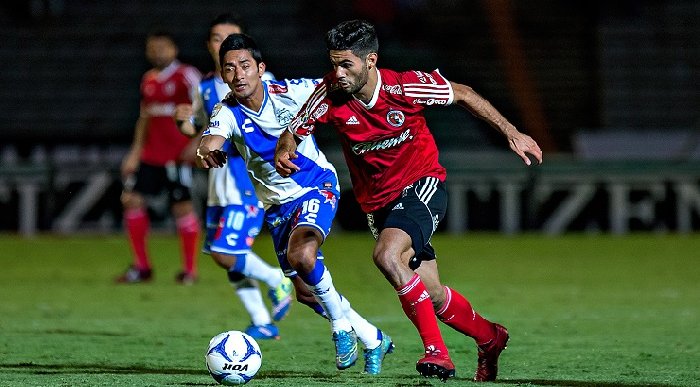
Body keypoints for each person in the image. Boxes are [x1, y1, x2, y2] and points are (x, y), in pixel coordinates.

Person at [275, 19, 543, 382]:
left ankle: (438, 354)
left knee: (386, 256)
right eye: (333, 63)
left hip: (422, 185)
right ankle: (490, 337)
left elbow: (462, 92)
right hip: (380, 205)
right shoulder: (329, 93)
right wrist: (285, 149)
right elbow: (295, 127)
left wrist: (512, 133)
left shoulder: (405, 87)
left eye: (345, 64)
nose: (337, 72)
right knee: (430, 295)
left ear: (370, 60)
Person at [195, 33, 394, 374]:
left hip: (315, 187)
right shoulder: (225, 111)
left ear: (260, 68)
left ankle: (341, 329)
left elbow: (336, 83)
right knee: (304, 292)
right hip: (276, 207)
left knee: (302, 255)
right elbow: (210, 139)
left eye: (245, 66)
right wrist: (207, 150)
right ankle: (373, 337)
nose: (238, 75)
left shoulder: (292, 92)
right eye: (229, 69)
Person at [174, 13, 293, 340]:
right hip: (218, 185)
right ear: (210, 46)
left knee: (228, 252)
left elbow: (281, 127)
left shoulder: (264, 83)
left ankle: (276, 279)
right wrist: (181, 121)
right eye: (217, 38)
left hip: (247, 183)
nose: (224, 44)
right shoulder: (204, 87)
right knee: (221, 255)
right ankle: (262, 321)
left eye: (231, 38)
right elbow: (198, 128)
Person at [117, 30, 202, 285]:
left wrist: (197, 142)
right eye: (152, 48)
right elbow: (144, 119)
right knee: (131, 199)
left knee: (182, 208)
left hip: (177, 156)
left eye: (162, 47)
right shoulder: (148, 80)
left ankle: (189, 271)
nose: (157, 52)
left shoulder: (187, 75)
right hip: (151, 155)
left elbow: (209, 110)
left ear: (174, 49)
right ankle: (142, 267)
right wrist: (134, 152)